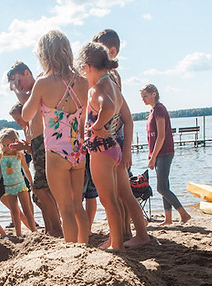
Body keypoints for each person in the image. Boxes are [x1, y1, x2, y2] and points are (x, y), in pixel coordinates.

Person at [78, 42, 150, 251]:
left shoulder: (96, 89)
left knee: (108, 200)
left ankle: (117, 245)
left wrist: (95, 126)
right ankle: (115, 240)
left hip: (100, 150)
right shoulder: (112, 85)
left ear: (87, 67)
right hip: (114, 149)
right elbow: (122, 113)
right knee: (117, 198)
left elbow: (107, 107)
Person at [22, 30, 90, 244]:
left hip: (56, 152)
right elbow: (83, 119)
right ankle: (85, 246)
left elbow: (26, 115)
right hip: (78, 150)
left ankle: (72, 252)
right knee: (78, 206)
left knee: (65, 209)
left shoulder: (42, 83)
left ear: (44, 55)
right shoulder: (83, 82)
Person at [93, 29, 149, 240]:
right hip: (115, 140)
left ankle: (127, 232)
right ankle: (124, 231)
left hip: (113, 140)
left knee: (118, 193)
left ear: (112, 51)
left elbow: (120, 114)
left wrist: (97, 128)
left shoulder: (110, 77)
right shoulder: (110, 76)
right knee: (118, 192)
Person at [7, 62, 63, 237]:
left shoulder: (38, 84)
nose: (18, 87)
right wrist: (25, 147)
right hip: (40, 142)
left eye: (18, 81)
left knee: (41, 189)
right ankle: (51, 228)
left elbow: (24, 103)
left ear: (27, 73)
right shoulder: (33, 92)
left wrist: (15, 89)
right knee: (41, 192)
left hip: (45, 141)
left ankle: (57, 228)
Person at [140, 83, 192, 225]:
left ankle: (183, 214)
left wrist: (154, 157)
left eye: (145, 96)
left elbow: (161, 136)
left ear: (154, 93)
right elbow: (152, 136)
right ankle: (168, 219)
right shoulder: (152, 111)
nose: (143, 99)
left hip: (164, 152)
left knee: (161, 188)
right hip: (157, 153)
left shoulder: (160, 110)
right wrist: (150, 155)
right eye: (142, 97)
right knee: (165, 186)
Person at [0, 128, 37, 237]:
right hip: (8, 188)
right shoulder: (0, 155)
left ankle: (34, 232)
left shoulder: (19, 155)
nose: (6, 147)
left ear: (14, 142)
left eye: (8, 144)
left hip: (21, 186)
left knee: (27, 211)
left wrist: (32, 183)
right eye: (3, 145)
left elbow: (26, 170)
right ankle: (18, 235)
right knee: (14, 213)